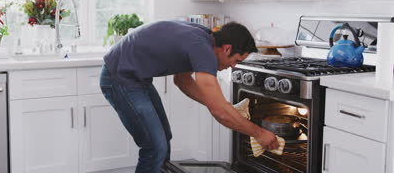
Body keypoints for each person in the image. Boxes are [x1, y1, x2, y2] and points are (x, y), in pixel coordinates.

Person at [100, 20, 279, 173]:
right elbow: (219, 111)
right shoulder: (202, 48)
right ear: (227, 49)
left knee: (163, 138)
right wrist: (259, 133)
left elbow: (182, 80)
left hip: (137, 78)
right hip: (119, 77)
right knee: (155, 147)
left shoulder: (204, 39)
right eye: (237, 60)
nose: (233, 66)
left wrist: (220, 105)